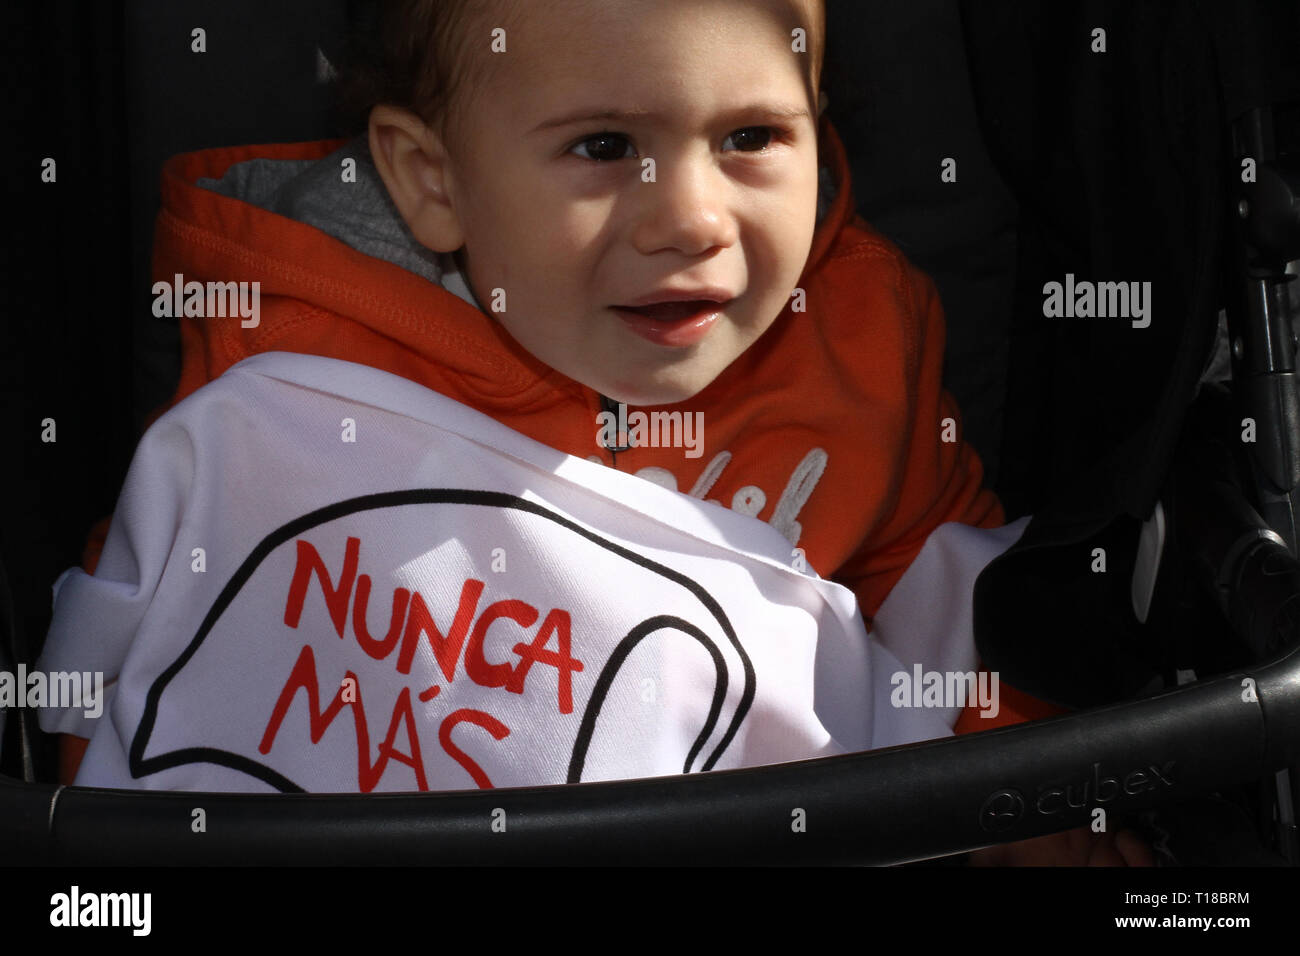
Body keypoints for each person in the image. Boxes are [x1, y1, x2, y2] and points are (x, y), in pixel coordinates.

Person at [44, 0, 1148, 864]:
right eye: (606, 144)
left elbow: (937, 585)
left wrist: (1013, 787)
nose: (692, 219)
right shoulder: (303, 348)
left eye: (753, 135)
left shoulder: (855, 335)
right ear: (435, 183)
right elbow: (170, 614)